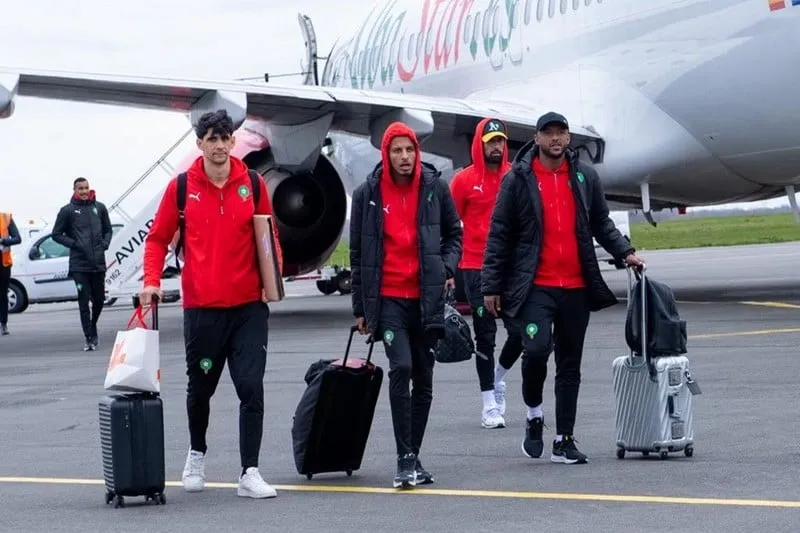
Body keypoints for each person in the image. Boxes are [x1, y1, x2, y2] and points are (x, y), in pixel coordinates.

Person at [482, 112, 644, 465]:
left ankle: (563, 440)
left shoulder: (584, 176)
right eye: (549, 133)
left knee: (570, 365)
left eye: (561, 132)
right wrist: (491, 285)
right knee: (536, 350)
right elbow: (499, 233)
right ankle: (534, 414)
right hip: (535, 286)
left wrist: (625, 252)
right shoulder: (518, 178)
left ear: (568, 138)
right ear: (537, 138)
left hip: (575, 286)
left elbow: (601, 222)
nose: (555, 138)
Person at [139, 109, 283, 500]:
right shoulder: (182, 187)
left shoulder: (252, 183)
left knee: (251, 387)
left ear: (233, 141)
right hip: (203, 308)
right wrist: (151, 282)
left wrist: (273, 278)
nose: (219, 146)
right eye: (212, 139)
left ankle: (249, 471)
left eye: (225, 138)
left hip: (248, 307)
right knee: (201, 389)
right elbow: (157, 239)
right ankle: (196, 455)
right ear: (200, 144)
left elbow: (268, 234)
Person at [350, 121, 462, 489]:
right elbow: (357, 254)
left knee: (424, 379)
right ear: (386, 154)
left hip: (425, 299)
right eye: (397, 150)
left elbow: (454, 234)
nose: (404, 156)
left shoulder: (435, 187)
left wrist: (445, 267)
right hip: (389, 300)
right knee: (401, 366)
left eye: (410, 149)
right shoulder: (366, 193)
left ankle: (413, 456)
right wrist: (360, 308)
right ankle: (403, 459)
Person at [449, 118, 524, 429]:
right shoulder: (463, 181)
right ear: (479, 144)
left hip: (511, 269)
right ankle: (489, 404)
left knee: (521, 333)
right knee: (485, 337)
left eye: (500, 141)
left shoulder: (516, 176)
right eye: (491, 141)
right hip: (475, 269)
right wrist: (447, 267)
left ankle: (498, 377)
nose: (496, 146)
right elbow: (448, 226)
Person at [52, 177, 113, 351]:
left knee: (99, 300)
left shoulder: (99, 208)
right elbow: (56, 234)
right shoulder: (67, 211)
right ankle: (89, 337)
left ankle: (92, 326)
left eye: (86, 188)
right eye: (80, 188)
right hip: (79, 266)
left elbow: (108, 230)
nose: (84, 191)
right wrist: (74, 244)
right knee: (84, 301)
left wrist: (105, 244)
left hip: (98, 263)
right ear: (75, 190)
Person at [0, 211, 22, 335]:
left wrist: (4, 241)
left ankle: (3, 323)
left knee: (2, 294)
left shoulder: (5, 218)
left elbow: (17, 238)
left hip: (3, 264)